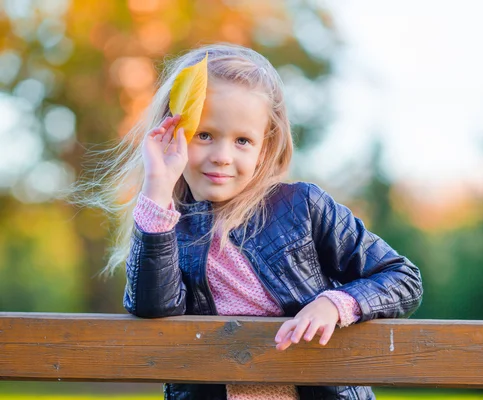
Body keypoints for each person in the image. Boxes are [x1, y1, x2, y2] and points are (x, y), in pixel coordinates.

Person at [85, 43, 422, 400]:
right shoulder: (167, 225)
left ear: (265, 147)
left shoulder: (301, 207)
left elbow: (402, 277)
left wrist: (335, 304)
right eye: (204, 135)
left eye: (242, 140)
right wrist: (157, 187)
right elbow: (151, 308)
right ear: (173, 133)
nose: (222, 157)